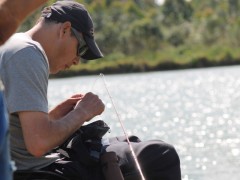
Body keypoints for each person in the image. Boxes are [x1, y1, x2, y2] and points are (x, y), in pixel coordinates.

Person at [0, 1, 181, 179]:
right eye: (82, 48)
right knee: (160, 155)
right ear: (65, 29)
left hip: (33, 164)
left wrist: (54, 117)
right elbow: (39, 143)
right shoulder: (28, 54)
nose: (77, 60)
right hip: (39, 171)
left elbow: (19, 135)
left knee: (128, 142)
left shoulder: (15, 44)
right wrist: (82, 113)